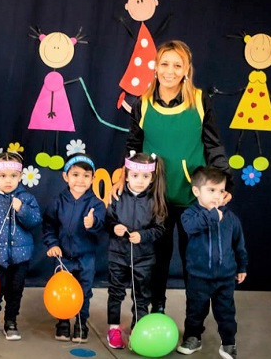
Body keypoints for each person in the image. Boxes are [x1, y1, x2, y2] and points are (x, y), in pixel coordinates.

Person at [115, 40, 233, 313]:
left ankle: (194, 324)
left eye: (177, 65)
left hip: (193, 196)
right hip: (156, 197)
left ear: (187, 69)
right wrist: (123, 175)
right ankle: (155, 310)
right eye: (164, 63)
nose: (170, 70)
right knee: (156, 260)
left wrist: (225, 183)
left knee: (194, 262)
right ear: (156, 68)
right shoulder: (142, 103)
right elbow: (133, 145)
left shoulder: (201, 100)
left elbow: (214, 146)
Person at [177, 167, 247, 359]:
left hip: (225, 277)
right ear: (196, 191)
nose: (217, 196)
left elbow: (238, 244)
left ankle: (228, 343)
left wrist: (241, 266)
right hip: (198, 276)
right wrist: (212, 214)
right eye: (211, 190)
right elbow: (190, 227)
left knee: (226, 312)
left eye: (221, 191)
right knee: (195, 310)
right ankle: (193, 337)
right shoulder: (190, 215)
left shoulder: (231, 218)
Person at [0, 151, 41, 341]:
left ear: (20, 176)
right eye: (3, 176)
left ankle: (11, 321)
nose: (8, 180)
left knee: (15, 291)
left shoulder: (26, 199)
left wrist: (22, 210)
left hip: (21, 257)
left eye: (13, 176)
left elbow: (35, 221)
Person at [104, 152, 166, 349]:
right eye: (135, 176)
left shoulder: (156, 200)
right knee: (115, 292)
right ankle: (113, 328)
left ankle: (138, 328)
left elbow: (160, 229)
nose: (140, 181)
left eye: (146, 177)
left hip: (144, 258)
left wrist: (144, 236)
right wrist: (114, 227)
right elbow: (107, 221)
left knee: (141, 295)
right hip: (118, 255)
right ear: (127, 175)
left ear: (152, 177)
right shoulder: (117, 195)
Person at [43, 154, 106, 343]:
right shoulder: (57, 201)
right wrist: (52, 244)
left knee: (84, 291)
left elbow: (101, 227)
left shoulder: (96, 204)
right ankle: (62, 322)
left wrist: (92, 223)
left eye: (86, 176)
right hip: (64, 258)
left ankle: (80, 323)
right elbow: (49, 226)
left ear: (93, 179)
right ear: (65, 177)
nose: (80, 180)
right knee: (63, 290)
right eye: (75, 174)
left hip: (86, 257)